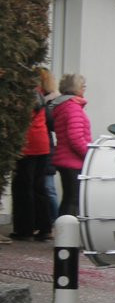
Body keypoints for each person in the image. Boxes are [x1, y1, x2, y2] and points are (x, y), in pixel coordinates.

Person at [10, 69, 57, 241]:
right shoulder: (39, 95)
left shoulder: (25, 96)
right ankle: (44, 228)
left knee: (23, 187)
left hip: (28, 145)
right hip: (42, 145)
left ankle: (25, 229)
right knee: (39, 188)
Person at [51, 74, 92, 217]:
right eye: (83, 86)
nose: (84, 88)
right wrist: (89, 155)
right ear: (75, 89)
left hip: (65, 159)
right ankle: (68, 233)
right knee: (73, 200)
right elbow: (75, 138)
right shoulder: (73, 107)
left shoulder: (63, 105)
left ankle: (64, 229)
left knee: (69, 197)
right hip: (73, 161)